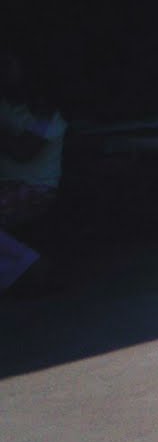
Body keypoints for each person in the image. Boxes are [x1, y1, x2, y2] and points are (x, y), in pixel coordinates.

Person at [0, 53, 66, 295]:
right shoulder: (7, 108)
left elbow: (24, 151)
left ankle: (32, 266)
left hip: (34, 189)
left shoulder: (46, 114)